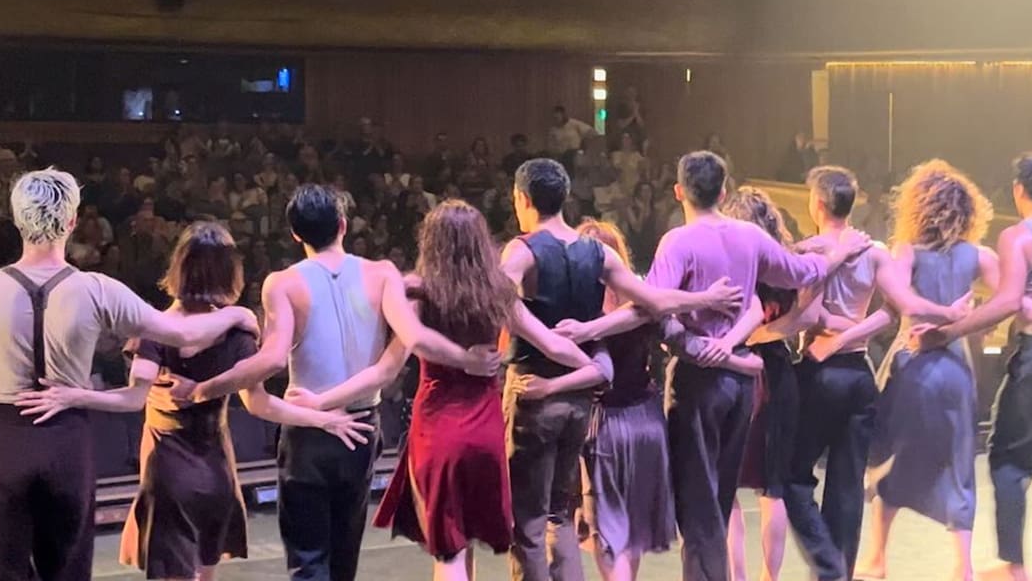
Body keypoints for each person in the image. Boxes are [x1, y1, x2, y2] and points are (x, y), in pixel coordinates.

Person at [0, 169, 258, 581]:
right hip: (64, 439)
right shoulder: (97, 289)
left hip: (0, 440)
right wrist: (239, 312)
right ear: (72, 222)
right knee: (67, 566)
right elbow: (182, 331)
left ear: (17, 221)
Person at [554, 152, 871, 581]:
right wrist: (839, 250)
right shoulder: (749, 236)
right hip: (741, 385)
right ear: (723, 191)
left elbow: (650, 309)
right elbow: (801, 273)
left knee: (698, 505)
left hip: (698, 382)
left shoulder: (678, 242)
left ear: (679, 191)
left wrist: (596, 329)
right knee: (719, 500)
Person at [168, 184, 501, 581]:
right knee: (344, 561)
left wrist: (205, 389)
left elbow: (272, 359)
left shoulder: (283, 283)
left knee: (309, 560)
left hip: (307, 431)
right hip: (361, 426)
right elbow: (407, 343)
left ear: (295, 234)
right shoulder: (382, 274)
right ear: (343, 225)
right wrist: (466, 357)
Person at [13, 221, 370, 581]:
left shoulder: (155, 327)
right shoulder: (237, 331)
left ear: (179, 267)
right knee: (204, 572)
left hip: (167, 467)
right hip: (215, 467)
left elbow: (133, 398)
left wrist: (75, 396)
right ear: (229, 271)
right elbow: (259, 404)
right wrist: (323, 418)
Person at [499, 158, 744, 581]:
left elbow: (496, 299)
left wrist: (548, 342)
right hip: (581, 405)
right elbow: (652, 300)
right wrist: (703, 299)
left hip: (536, 393)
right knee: (560, 516)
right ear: (566, 197)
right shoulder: (598, 252)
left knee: (529, 525)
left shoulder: (522, 249)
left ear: (522, 199)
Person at [368, 201, 608, 581]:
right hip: (485, 430)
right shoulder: (496, 291)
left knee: (448, 550)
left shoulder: (417, 289)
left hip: (438, 426)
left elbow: (415, 339)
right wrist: (593, 366)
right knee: (465, 540)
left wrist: (462, 359)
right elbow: (549, 342)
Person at [921, 153, 1032, 581]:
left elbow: (1007, 302)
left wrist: (948, 332)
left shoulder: (1019, 236)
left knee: (1008, 463)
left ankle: (1014, 565)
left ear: (1020, 190)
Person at [784, 166, 965, 581]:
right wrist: (949, 312)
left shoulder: (808, 250)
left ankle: (828, 566)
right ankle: (839, 573)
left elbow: (804, 315)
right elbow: (904, 306)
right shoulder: (875, 251)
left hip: (820, 371)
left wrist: (833, 333)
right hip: (859, 375)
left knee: (793, 478)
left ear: (818, 202)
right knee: (846, 485)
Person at [852, 160, 998, 581]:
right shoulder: (979, 255)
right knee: (958, 465)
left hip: (911, 364)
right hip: (955, 369)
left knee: (888, 459)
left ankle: (878, 558)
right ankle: (962, 566)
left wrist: (936, 318)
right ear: (968, 210)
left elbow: (898, 300)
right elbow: (1009, 299)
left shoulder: (906, 252)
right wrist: (969, 322)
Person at [721, 187, 826, 581]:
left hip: (735, 370)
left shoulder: (732, 262)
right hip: (779, 374)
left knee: (727, 487)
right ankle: (770, 577)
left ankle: (737, 576)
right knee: (774, 488)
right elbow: (805, 316)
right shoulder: (787, 264)